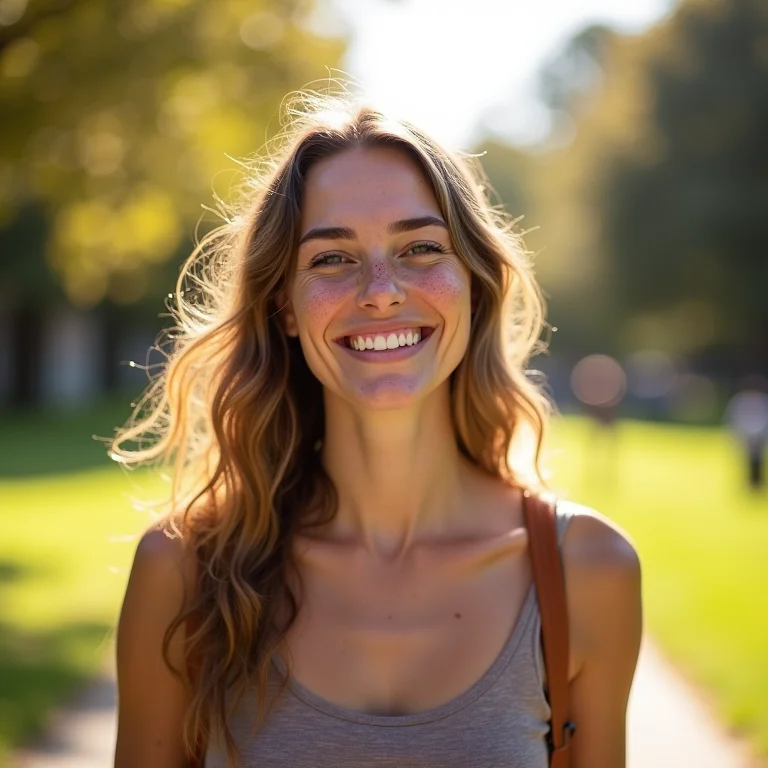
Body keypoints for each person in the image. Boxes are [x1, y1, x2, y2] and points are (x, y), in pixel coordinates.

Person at [112, 92, 642, 768]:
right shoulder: (184, 571)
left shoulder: (586, 571)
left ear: (475, 285)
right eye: (332, 259)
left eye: (421, 248)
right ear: (285, 307)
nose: (382, 290)